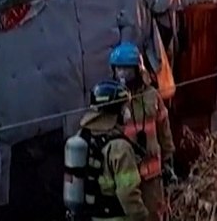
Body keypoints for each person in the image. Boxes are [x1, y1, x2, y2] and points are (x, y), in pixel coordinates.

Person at [109, 42, 176, 220]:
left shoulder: (152, 96)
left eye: (126, 70)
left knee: (155, 214)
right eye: (118, 70)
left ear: (138, 70)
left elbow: (164, 128)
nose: (122, 75)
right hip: (126, 176)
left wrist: (168, 157)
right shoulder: (111, 101)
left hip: (153, 175)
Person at [75, 79, 150, 221]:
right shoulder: (120, 148)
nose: (126, 112)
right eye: (123, 107)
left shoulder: (81, 137)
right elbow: (128, 194)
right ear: (116, 111)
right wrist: (142, 216)